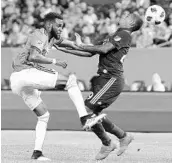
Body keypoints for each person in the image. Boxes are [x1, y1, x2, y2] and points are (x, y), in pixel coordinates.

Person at [10, 12, 106, 161]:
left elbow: (73, 45)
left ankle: (37, 153)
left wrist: (95, 48)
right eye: (59, 26)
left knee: (43, 116)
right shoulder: (39, 35)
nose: (61, 29)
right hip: (25, 72)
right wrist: (55, 61)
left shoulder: (52, 38)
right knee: (71, 81)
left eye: (63, 26)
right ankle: (84, 118)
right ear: (49, 25)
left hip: (20, 82)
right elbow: (33, 56)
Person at [56, 13, 143, 160]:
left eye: (126, 16)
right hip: (105, 79)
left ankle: (108, 143)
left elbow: (102, 50)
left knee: (87, 110)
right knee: (92, 114)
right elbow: (90, 53)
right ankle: (123, 136)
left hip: (111, 79)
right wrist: (65, 49)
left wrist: (81, 44)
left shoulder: (124, 34)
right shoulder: (116, 34)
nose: (122, 16)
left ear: (131, 22)